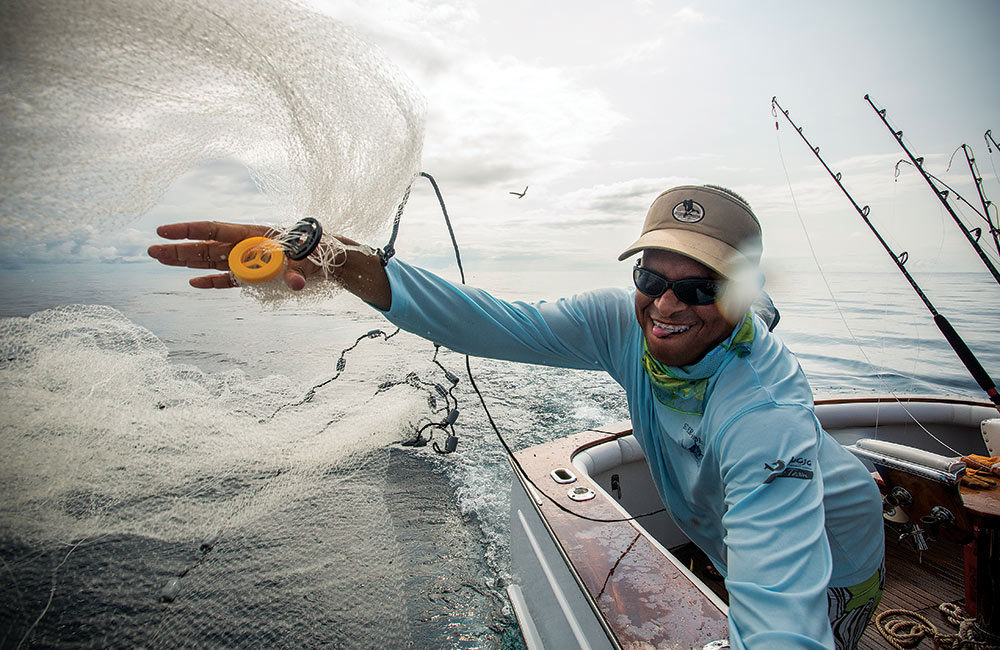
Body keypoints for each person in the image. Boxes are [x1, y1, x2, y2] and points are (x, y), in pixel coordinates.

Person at [148, 184, 886, 650]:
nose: (666, 304)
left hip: (829, 552)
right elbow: (482, 321)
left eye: (700, 289)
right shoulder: (620, 325)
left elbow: (784, 613)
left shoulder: (764, 411)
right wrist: (333, 257)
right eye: (651, 278)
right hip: (721, 534)